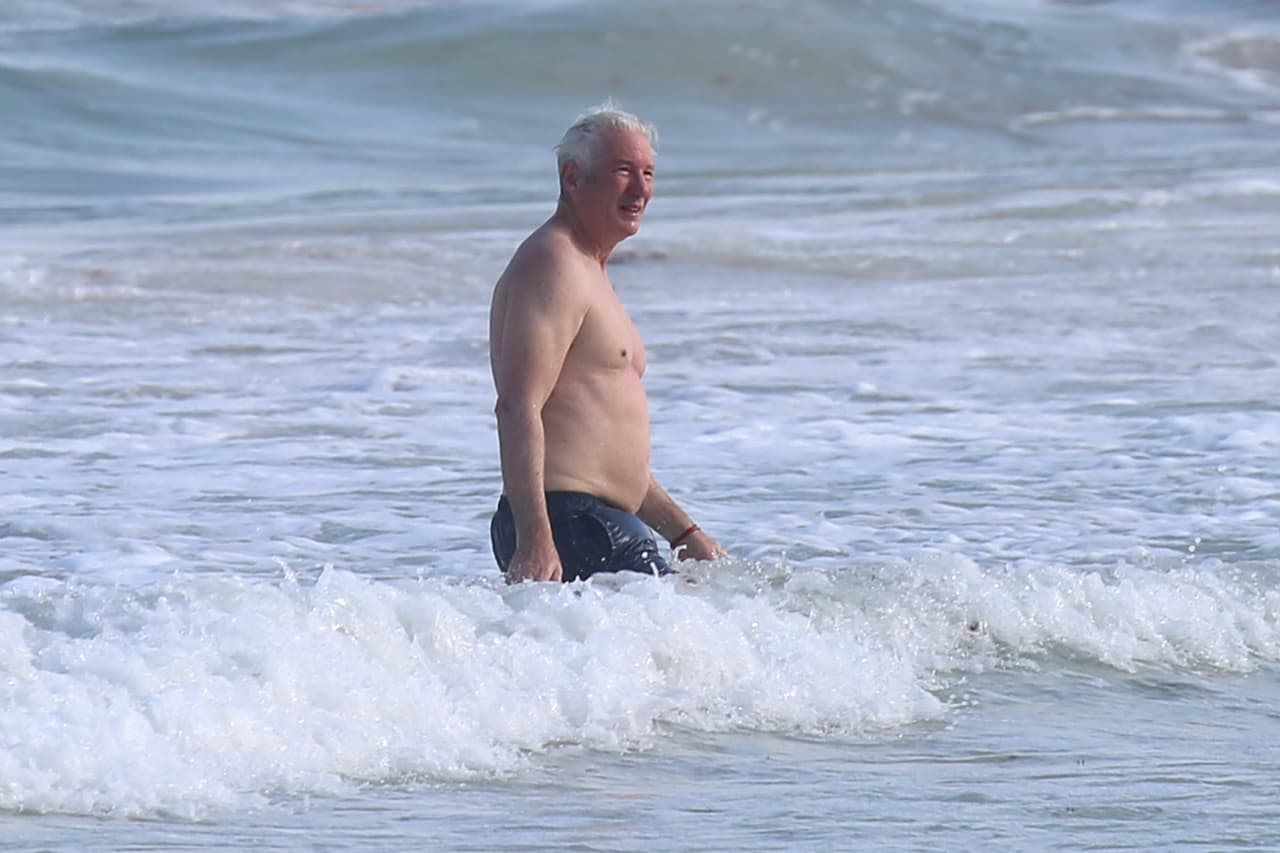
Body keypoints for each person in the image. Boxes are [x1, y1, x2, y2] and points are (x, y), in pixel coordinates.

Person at [488, 102, 725, 583]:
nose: (640, 189)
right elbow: (517, 406)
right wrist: (536, 538)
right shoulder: (553, 263)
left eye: (648, 174)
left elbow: (604, 448)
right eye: (622, 172)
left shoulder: (588, 270)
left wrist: (684, 534)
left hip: (598, 519)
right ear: (573, 178)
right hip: (570, 523)